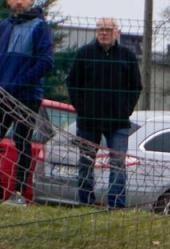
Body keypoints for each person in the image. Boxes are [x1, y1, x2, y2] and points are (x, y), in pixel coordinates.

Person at [64, 19, 142, 209]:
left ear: (117, 32)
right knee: (86, 162)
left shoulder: (127, 56)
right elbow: (72, 83)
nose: (104, 33)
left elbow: (136, 86)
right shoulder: (84, 53)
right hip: (88, 120)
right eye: (100, 29)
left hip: (118, 121)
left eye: (108, 29)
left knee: (117, 164)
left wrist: (125, 110)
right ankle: (85, 202)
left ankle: (116, 205)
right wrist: (82, 108)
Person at [0, 0, 52, 206]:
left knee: (22, 142)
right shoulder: (4, 26)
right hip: (2, 95)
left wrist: (19, 83)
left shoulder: (40, 27)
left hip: (27, 97)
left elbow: (46, 62)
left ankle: (19, 192)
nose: (19, 2)